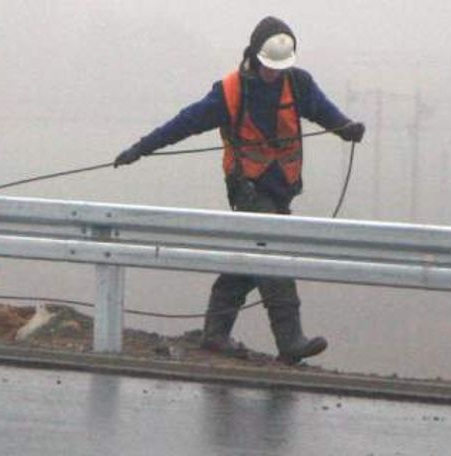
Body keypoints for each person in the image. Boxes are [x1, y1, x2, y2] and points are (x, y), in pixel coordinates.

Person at [114, 16, 365, 363]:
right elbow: (184, 123)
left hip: (282, 188)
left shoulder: (299, 84)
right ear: (254, 55)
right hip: (247, 187)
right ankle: (290, 340)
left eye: (279, 68)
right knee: (271, 250)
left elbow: (323, 111)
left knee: (250, 255)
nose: (273, 74)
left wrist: (346, 128)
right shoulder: (230, 92)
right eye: (268, 67)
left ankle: (215, 334)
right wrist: (140, 148)